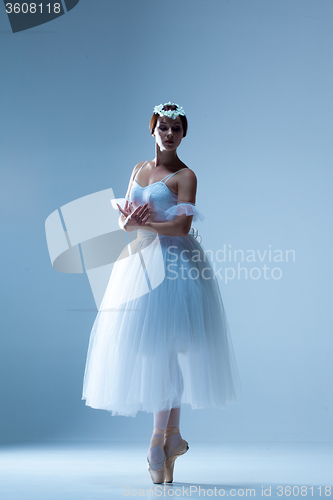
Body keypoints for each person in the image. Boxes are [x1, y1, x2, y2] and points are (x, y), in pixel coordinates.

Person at [82, 102, 241, 484]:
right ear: (153, 130)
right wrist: (129, 220)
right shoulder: (139, 169)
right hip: (139, 265)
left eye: (176, 129)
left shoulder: (186, 175)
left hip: (175, 267)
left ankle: (159, 442)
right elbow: (125, 220)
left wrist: (145, 221)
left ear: (184, 135)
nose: (169, 135)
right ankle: (167, 441)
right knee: (158, 352)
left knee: (167, 351)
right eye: (164, 128)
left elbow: (183, 228)